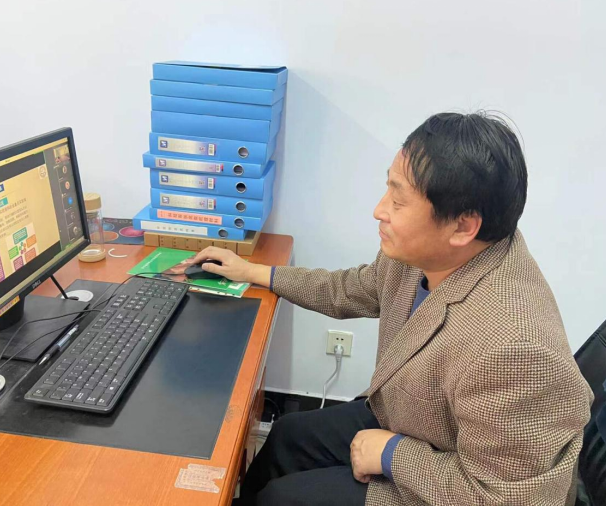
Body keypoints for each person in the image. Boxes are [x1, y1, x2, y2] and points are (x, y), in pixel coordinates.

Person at [192, 112, 593, 506]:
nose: (380, 210)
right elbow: (354, 288)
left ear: (462, 226)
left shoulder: (515, 349)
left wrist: (391, 454)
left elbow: (503, 497)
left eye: (399, 201)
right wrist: (255, 272)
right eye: (389, 189)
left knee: (285, 499)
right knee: (286, 438)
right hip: (419, 426)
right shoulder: (430, 253)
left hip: (457, 480)